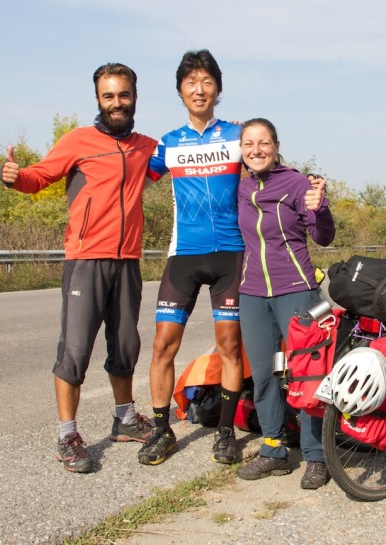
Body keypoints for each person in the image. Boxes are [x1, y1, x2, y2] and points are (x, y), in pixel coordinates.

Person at [0, 62, 160, 473]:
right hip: (86, 259)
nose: (117, 103)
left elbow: (192, 160)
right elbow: (38, 177)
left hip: (127, 261)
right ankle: (67, 434)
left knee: (126, 346)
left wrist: (228, 134)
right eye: (109, 96)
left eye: (123, 94)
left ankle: (124, 418)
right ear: (98, 100)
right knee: (75, 350)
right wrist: (15, 178)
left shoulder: (147, 146)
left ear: (135, 96)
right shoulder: (78, 140)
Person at [137, 50, 246, 466]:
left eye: (206, 82)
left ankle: (224, 432)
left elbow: (269, 170)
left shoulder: (237, 135)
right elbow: (130, 183)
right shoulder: (168, 143)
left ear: (217, 88)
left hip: (231, 255)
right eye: (190, 82)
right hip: (183, 255)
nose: (199, 89)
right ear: (180, 91)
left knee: (230, 346)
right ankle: (162, 429)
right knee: (163, 344)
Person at [234, 118, 336, 489]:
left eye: (263, 143)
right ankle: (273, 450)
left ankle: (315, 456)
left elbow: (323, 237)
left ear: (276, 145)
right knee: (264, 375)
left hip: (297, 289)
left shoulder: (296, 183)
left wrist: (320, 207)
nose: (256, 150)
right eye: (248, 143)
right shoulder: (242, 187)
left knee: (307, 375)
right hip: (253, 294)